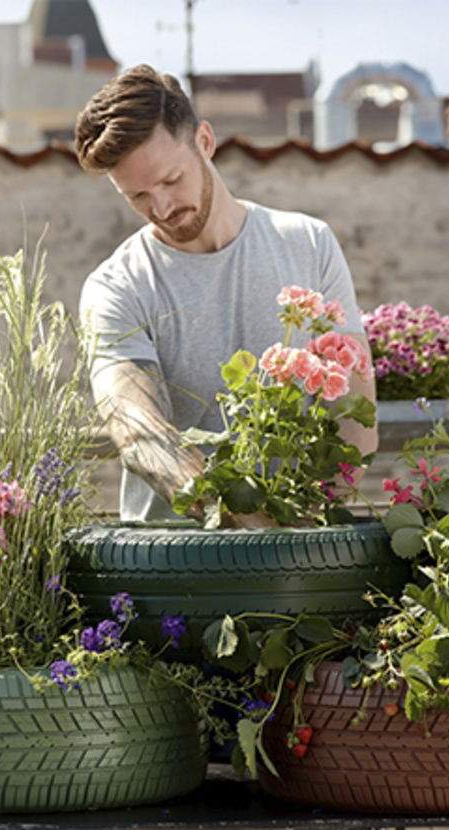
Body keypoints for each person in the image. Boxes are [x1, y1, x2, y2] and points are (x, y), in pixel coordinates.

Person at [74, 64, 377, 525]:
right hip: (172, 565)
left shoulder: (309, 244)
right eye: (137, 196)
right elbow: (137, 428)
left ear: (205, 142)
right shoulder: (116, 286)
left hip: (302, 556)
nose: (161, 207)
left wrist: (310, 526)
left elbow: (355, 415)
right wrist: (241, 524)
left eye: (171, 180)